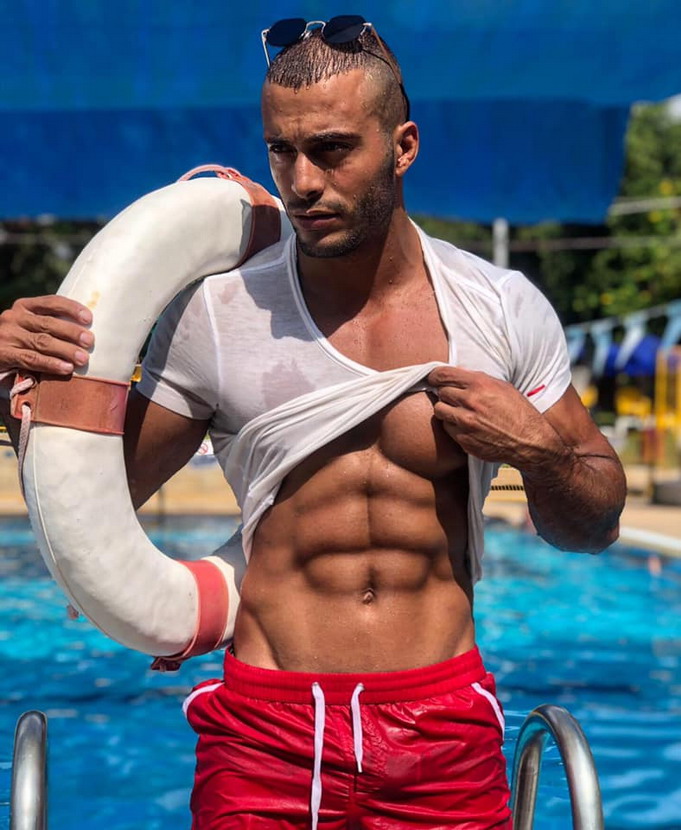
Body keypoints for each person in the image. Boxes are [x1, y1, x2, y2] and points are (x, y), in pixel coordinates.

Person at [0, 19, 626, 830]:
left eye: (331, 150)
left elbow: (594, 526)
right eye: (280, 152)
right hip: (266, 732)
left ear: (402, 147)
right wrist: (19, 386)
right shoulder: (216, 315)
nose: (300, 182)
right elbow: (91, 498)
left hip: (440, 726)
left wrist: (538, 452)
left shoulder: (499, 311)